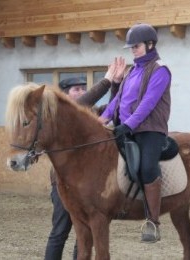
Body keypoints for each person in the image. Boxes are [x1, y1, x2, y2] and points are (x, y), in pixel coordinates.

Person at [44, 57, 126, 260]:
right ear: (65, 96)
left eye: (82, 88)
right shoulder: (61, 116)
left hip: (87, 185)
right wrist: (107, 80)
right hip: (64, 184)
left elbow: (114, 109)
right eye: (75, 89)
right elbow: (85, 100)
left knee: (84, 234)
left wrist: (116, 84)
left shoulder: (90, 115)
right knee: (60, 231)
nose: (80, 92)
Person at [99, 23, 172, 243]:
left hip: (149, 129)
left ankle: (153, 222)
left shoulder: (160, 70)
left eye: (136, 46)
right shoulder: (132, 71)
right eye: (131, 47)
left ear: (150, 45)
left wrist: (128, 125)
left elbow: (147, 104)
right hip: (126, 127)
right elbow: (117, 102)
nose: (133, 50)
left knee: (147, 166)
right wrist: (101, 120)